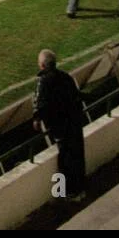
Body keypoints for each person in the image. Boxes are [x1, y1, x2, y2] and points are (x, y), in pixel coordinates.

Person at [32, 49, 87, 201]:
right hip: (74, 121)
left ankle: (64, 193)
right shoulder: (65, 76)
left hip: (60, 125)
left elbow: (40, 102)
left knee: (65, 159)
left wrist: (36, 119)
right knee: (77, 155)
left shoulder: (43, 81)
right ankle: (79, 189)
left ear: (42, 65)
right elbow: (77, 96)